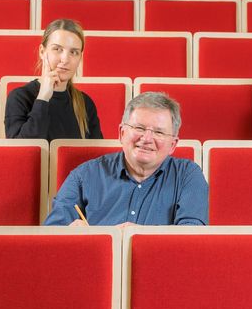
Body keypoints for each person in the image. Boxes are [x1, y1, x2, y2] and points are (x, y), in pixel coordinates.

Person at [44, 92, 208, 226]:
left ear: (173, 144)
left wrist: (137, 236)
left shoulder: (188, 175)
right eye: (139, 128)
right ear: (122, 133)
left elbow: (191, 236)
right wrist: (71, 232)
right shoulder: (84, 175)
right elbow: (53, 234)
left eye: (159, 132)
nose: (147, 138)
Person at [4, 18, 102, 141]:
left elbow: (97, 157)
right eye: (57, 49)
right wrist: (43, 98)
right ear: (42, 51)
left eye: (74, 52)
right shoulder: (20, 97)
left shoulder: (86, 103)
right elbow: (23, 153)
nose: (65, 59)